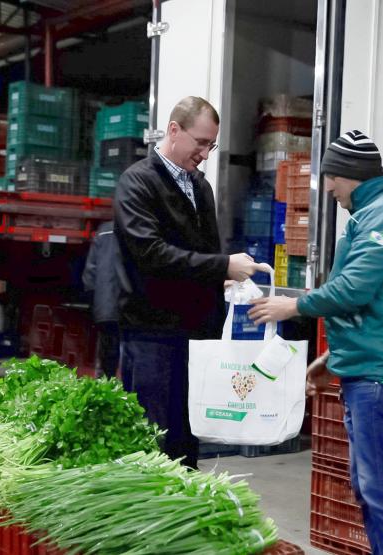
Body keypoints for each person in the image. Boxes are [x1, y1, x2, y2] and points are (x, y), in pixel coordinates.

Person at [249, 130, 383, 555]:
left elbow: (355, 289)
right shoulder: (367, 216)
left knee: (379, 490)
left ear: (352, 175)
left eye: (331, 177)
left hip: (382, 378)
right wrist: (332, 357)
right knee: (368, 486)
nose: (327, 187)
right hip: (366, 370)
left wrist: (294, 306)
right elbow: (374, 307)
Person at [114, 96, 266, 469]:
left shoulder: (200, 186)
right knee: (154, 439)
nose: (205, 153)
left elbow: (203, 251)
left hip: (196, 335)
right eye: (200, 143)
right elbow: (150, 254)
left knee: (186, 437)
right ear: (173, 130)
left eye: (211, 145)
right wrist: (221, 267)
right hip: (152, 333)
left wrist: (223, 283)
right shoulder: (138, 182)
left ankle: (185, 507)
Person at [82, 221, 123, 383]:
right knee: (129, 348)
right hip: (129, 304)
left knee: (106, 347)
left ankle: (105, 385)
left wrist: (93, 298)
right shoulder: (138, 227)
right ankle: (126, 388)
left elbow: (90, 272)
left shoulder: (103, 231)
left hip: (104, 304)